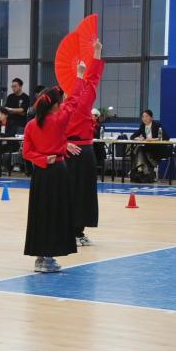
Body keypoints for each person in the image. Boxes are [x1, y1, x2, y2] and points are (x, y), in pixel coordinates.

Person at [22, 40, 102, 273]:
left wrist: (40, 160)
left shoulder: (31, 124)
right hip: (57, 170)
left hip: (40, 173)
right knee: (56, 213)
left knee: (40, 214)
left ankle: (40, 257)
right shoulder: (60, 120)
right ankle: (48, 257)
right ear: (57, 105)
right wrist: (81, 74)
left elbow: (26, 152)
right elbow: (75, 99)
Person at [66, 53, 106, 248]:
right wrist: (96, 55)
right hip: (81, 152)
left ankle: (75, 231)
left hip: (72, 152)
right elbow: (93, 80)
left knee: (73, 192)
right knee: (83, 193)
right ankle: (76, 232)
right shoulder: (81, 106)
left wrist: (79, 76)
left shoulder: (63, 109)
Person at [130, 109, 168, 181]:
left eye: (147, 116)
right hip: (148, 148)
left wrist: (153, 139)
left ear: (151, 118)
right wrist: (138, 138)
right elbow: (132, 136)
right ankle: (143, 170)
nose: (144, 118)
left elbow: (166, 137)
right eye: (143, 117)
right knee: (140, 149)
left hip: (157, 149)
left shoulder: (157, 125)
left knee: (141, 151)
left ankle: (141, 169)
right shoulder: (142, 126)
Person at [0, 109, 21, 174]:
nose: (0, 116)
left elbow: (11, 134)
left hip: (11, 144)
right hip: (1, 144)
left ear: (6, 115)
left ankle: (3, 168)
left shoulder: (11, 123)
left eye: (2, 114)